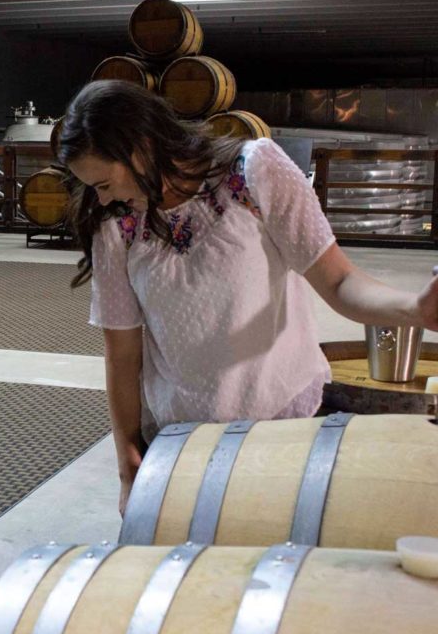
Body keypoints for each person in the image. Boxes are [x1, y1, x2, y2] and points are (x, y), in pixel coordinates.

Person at [56, 80, 438, 515]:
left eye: (104, 183)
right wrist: (127, 459)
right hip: (180, 439)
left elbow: (339, 282)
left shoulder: (252, 171)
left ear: (141, 147)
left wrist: (416, 310)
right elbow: (122, 353)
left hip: (283, 425)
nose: (101, 197)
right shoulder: (116, 225)